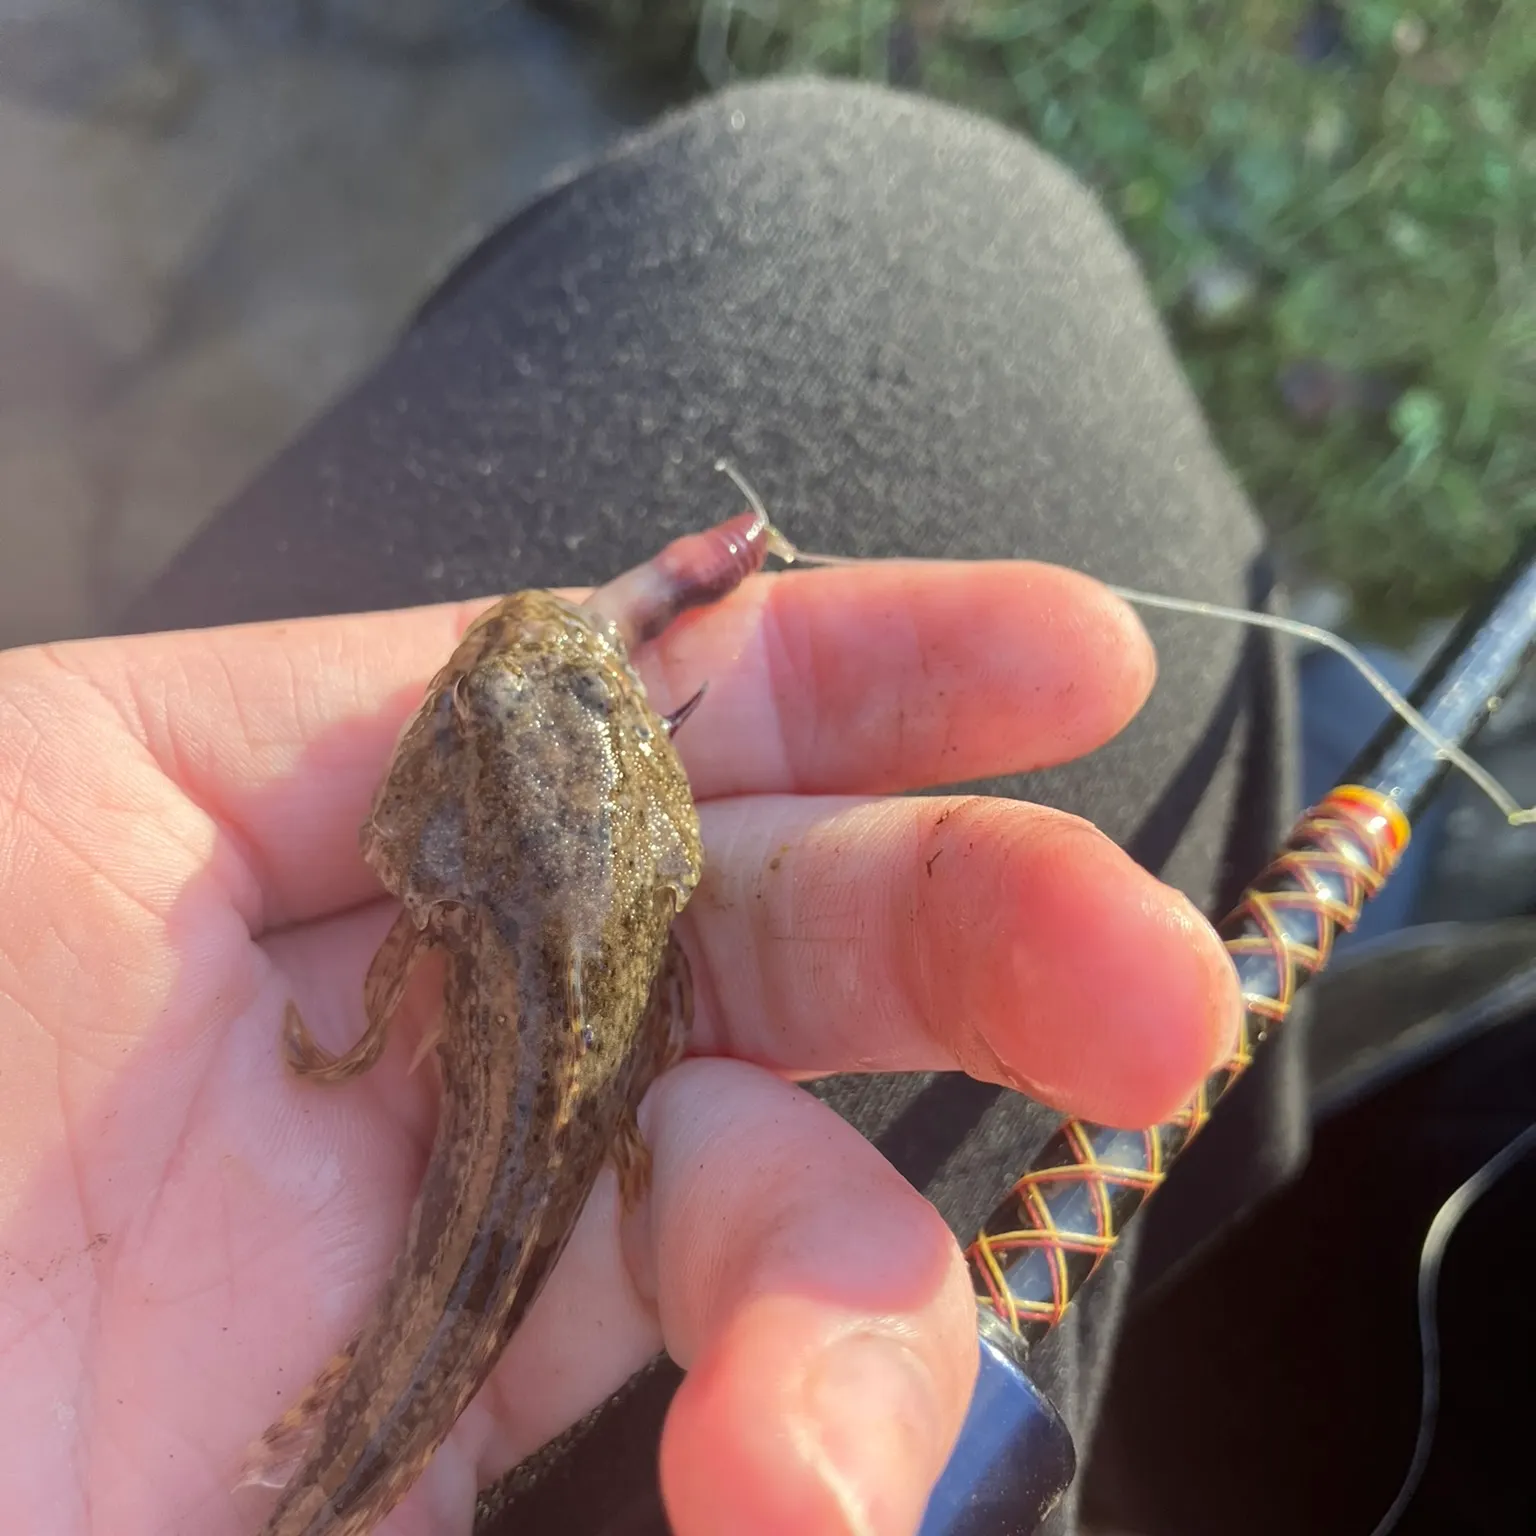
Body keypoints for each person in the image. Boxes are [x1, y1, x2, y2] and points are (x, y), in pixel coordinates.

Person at [0, 80, 1303, 1536]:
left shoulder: (465, 869)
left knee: (940, 220)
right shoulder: (553, 870)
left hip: (535, 1064)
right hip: (544, 1051)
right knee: (950, 225)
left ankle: (337, 1480)